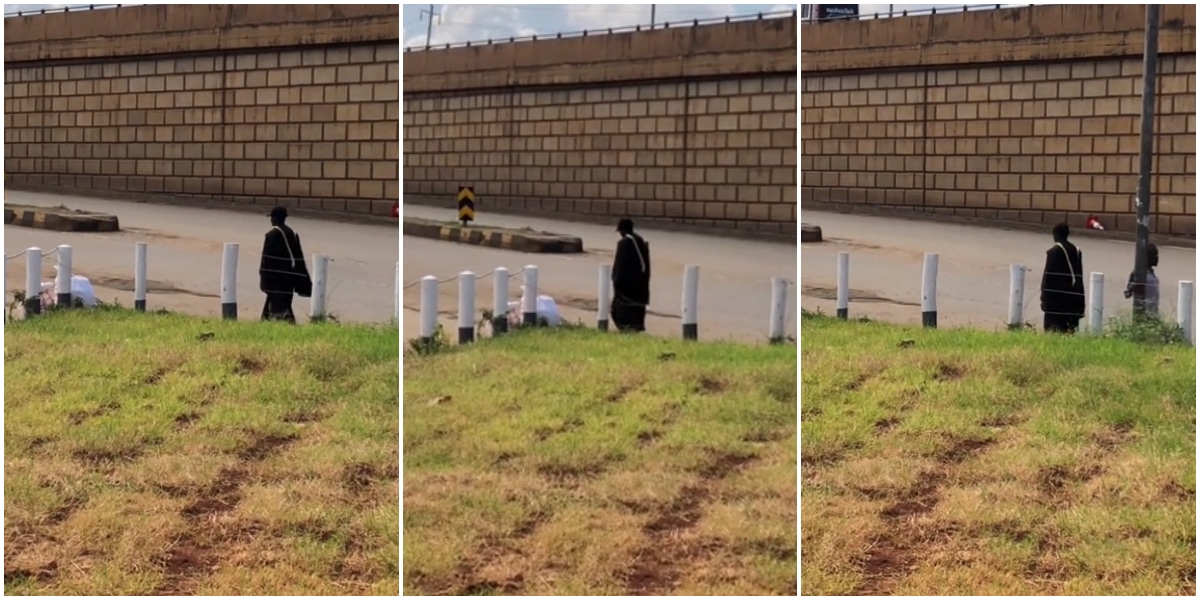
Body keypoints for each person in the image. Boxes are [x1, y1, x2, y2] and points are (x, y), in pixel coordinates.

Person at [260, 206, 312, 323]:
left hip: (276, 278)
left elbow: (266, 259)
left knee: (278, 305)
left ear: (275, 218)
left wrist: (264, 278)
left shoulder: (271, 235)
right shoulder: (293, 233)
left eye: (272, 218)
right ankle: (269, 320)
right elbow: (299, 256)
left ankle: (285, 322)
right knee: (284, 301)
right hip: (290, 276)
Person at [1040, 222, 1086, 333]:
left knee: (1054, 329)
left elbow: (1049, 277)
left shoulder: (1054, 252)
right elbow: (1079, 276)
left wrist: (1044, 298)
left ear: (1055, 234)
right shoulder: (1077, 251)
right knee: (1070, 331)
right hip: (1073, 297)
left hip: (1056, 300)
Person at [611, 218, 651, 332]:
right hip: (640, 285)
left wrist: (615, 280)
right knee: (636, 311)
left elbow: (620, 265)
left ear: (623, 230)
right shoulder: (639, 240)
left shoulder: (625, 243)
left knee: (620, 311)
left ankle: (626, 328)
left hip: (626, 287)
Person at [1123, 243, 1160, 317]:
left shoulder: (1151, 272)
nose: (1157, 258)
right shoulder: (1138, 273)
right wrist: (1132, 287)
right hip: (1145, 312)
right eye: (1155, 255)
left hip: (1153, 312)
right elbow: (1128, 291)